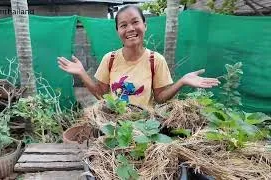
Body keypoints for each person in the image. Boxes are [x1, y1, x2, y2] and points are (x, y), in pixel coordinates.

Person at [57, 5, 220, 110]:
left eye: (135, 22)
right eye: (123, 25)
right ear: (118, 31)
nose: (130, 29)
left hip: (145, 129)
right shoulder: (110, 59)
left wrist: (182, 81)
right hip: (116, 128)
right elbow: (102, 95)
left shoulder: (156, 60)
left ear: (145, 26)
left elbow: (160, 99)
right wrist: (81, 73)